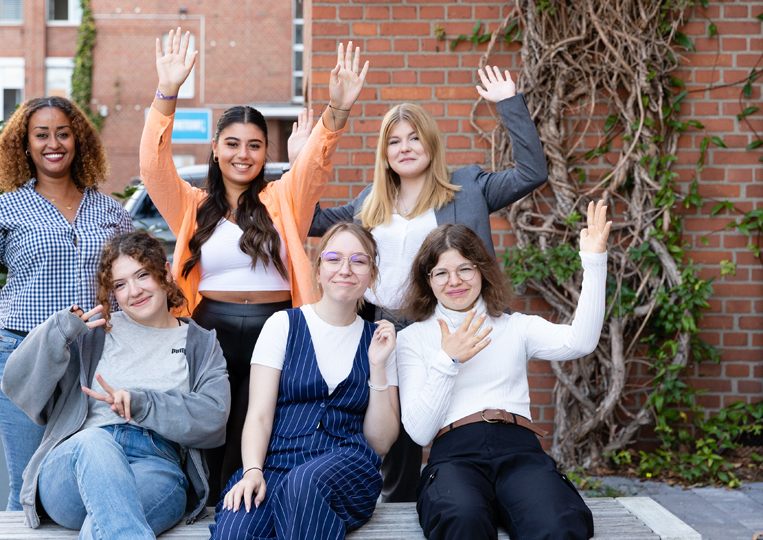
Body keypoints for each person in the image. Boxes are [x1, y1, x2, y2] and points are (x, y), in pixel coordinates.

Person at [140, 28, 369, 499]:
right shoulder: (191, 203)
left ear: (267, 152)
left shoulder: (285, 199)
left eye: (254, 145)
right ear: (216, 149)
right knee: (211, 420)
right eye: (232, 143)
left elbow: (314, 166)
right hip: (209, 326)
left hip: (274, 325)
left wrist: (338, 110)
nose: (243, 154)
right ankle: (202, 506)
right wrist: (167, 93)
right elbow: (152, 166)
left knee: (259, 420)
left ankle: (248, 507)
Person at [307, 66, 549, 502]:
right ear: (384, 153)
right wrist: (304, 151)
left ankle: (463, 500)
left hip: (444, 324)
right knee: (392, 442)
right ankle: (396, 513)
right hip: (382, 326)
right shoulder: (369, 201)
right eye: (394, 141)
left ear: (431, 143)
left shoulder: (468, 189)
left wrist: (509, 103)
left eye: (414, 137)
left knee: (449, 423)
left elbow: (532, 172)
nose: (404, 148)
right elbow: (306, 217)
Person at [0, 96, 133, 511]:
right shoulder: (7, 207)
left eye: (63, 133)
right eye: (42, 135)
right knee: (26, 488)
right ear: (25, 145)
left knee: (79, 482)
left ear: (79, 141)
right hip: (25, 355)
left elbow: (131, 286)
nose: (54, 143)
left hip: (94, 361)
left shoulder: (109, 211)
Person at [396, 201, 611, 540]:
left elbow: (580, 342)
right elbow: (419, 432)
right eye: (441, 272)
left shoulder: (515, 327)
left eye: (465, 269)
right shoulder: (412, 340)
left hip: (519, 451)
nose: (454, 281)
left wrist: (595, 263)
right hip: (454, 456)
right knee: (462, 519)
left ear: (482, 270)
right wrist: (447, 361)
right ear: (429, 280)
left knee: (556, 524)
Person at [1, 230, 230, 539]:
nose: (134, 291)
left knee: (104, 525)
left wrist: (141, 403)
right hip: (74, 467)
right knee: (93, 443)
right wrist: (57, 333)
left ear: (165, 271)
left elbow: (213, 419)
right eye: (120, 285)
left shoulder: (200, 343)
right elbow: (16, 383)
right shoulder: (95, 333)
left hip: (155, 465)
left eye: (142, 275)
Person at [209, 222, 399, 540]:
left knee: (304, 484)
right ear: (319, 268)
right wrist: (253, 470)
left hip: (347, 468)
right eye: (334, 258)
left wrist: (377, 366)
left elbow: (380, 443)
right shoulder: (283, 325)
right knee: (235, 532)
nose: (345, 269)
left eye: (359, 260)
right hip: (276, 462)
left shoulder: (378, 340)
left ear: (372, 274)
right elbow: (258, 415)